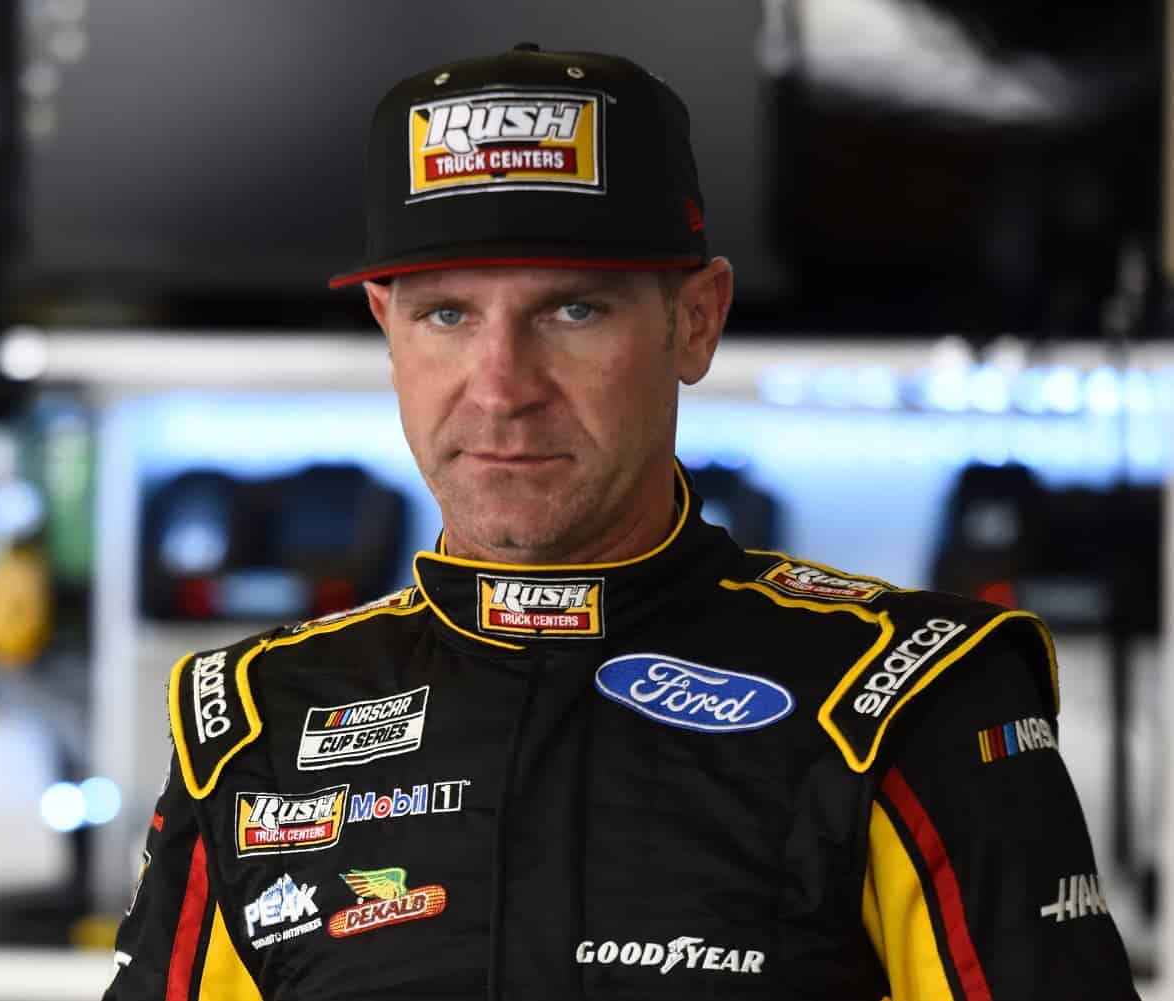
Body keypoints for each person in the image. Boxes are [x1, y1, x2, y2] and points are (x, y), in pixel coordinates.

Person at [105, 44, 1140, 1000]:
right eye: (448, 315)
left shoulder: (910, 700)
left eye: (574, 310)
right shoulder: (257, 723)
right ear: (388, 326)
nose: (501, 387)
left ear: (696, 320)